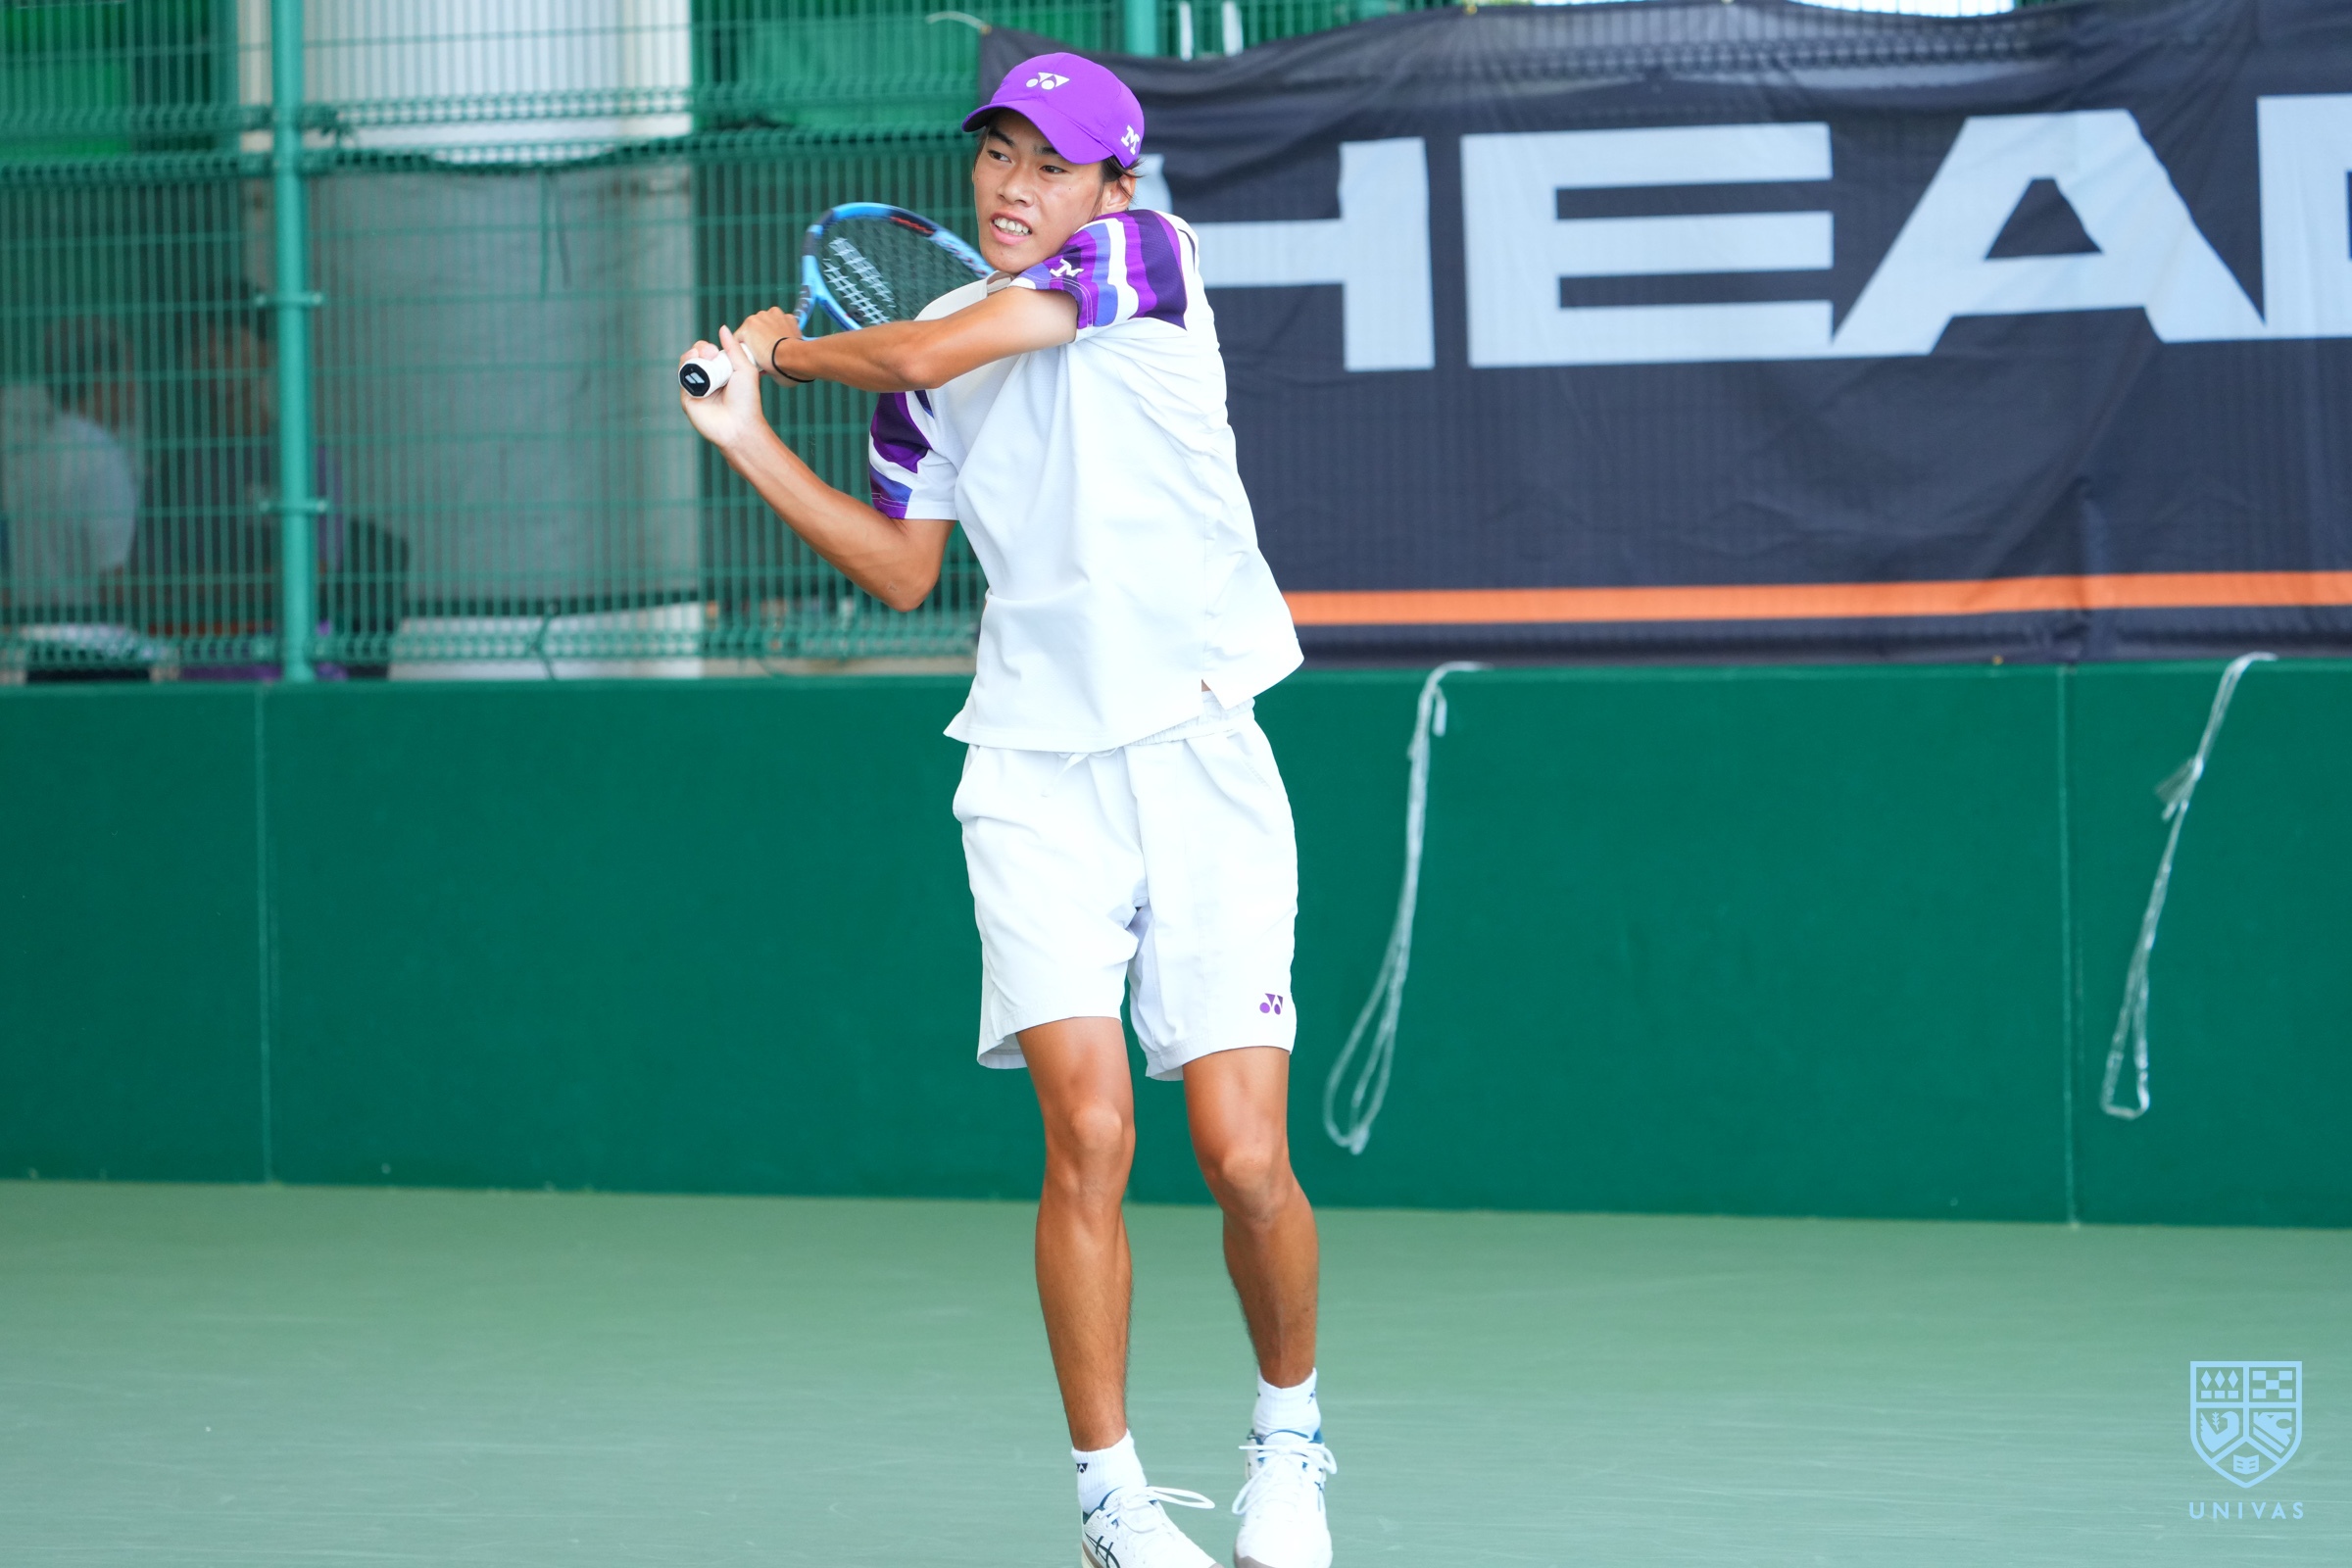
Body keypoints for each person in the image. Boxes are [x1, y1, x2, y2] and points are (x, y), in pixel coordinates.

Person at [678, 53, 1334, 1568]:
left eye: (1049, 164)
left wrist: (783, 353)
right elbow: (906, 568)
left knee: (1244, 1157)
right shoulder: (937, 371)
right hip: (1033, 778)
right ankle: (1111, 1502)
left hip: (1203, 754)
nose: (1013, 187)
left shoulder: (1149, 258)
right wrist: (748, 439)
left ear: (1112, 185)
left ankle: (1290, 1440)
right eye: (996, 156)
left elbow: (912, 350)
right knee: (1088, 1131)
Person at [2, 320, 141, 617]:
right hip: (96, 639)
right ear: (102, 378)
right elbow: (116, 579)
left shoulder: (35, 458)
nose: (135, 387)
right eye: (129, 373)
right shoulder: (101, 459)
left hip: (37, 636)